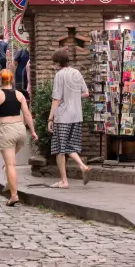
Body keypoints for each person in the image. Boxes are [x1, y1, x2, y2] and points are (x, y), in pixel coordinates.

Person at [0, 70, 38, 206]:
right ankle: (10, 183)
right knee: (11, 162)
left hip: (7, 129)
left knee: (10, 164)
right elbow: (27, 115)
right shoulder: (19, 94)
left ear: (0, 81)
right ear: (12, 81)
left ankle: (14, 195)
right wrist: (33, 131)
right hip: (20, 129)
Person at [48, 49, 92, 188]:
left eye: (54, 62)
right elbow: (86, 93)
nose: (54, 65)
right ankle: (83, 166)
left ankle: (64, 181)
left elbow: (56, 99)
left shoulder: (59, 75)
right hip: (77, 115)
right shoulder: (77, 73)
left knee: (59, 150)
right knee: (69, 146)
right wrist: (73, 97)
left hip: (63, 116)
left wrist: (50, 118)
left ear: (58, 62)